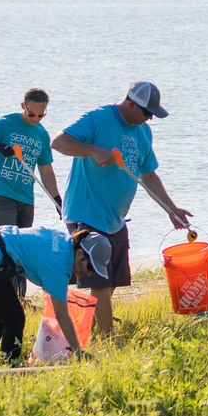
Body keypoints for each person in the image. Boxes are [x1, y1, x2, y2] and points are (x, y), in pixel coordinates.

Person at [51, 81, 192, 337]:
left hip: (115, 218)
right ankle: (108, 341)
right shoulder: (98, 119)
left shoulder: (144, 132)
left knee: (111, 281)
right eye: (147, 112)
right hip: (86, 214)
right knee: (100, 285)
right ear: (130, 104)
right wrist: (93, 150)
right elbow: (58, 142)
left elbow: (148, 175)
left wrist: (171, 209)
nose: (149, 118)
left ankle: (86, 331)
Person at [0, 225, 110, 365]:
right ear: (79, 253)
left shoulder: (64, 242)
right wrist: (79, 352)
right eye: (91, 267)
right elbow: (61, 314)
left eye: (95, 271)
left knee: (1, 319)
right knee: (14, 320)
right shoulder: (58, 265)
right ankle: (10, 370)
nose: (90, 273)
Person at [0, 87, 63, 296]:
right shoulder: (5, 124)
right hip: (2, 195)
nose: (36, 119)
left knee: (23, 250)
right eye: (32, 114)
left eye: (41, 115)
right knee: (8, 248)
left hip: (26, 199)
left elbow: (46, 171)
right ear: (23, 106)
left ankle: (20, 298)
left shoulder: (41, 135)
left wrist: (57, 199)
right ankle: (6, 298)